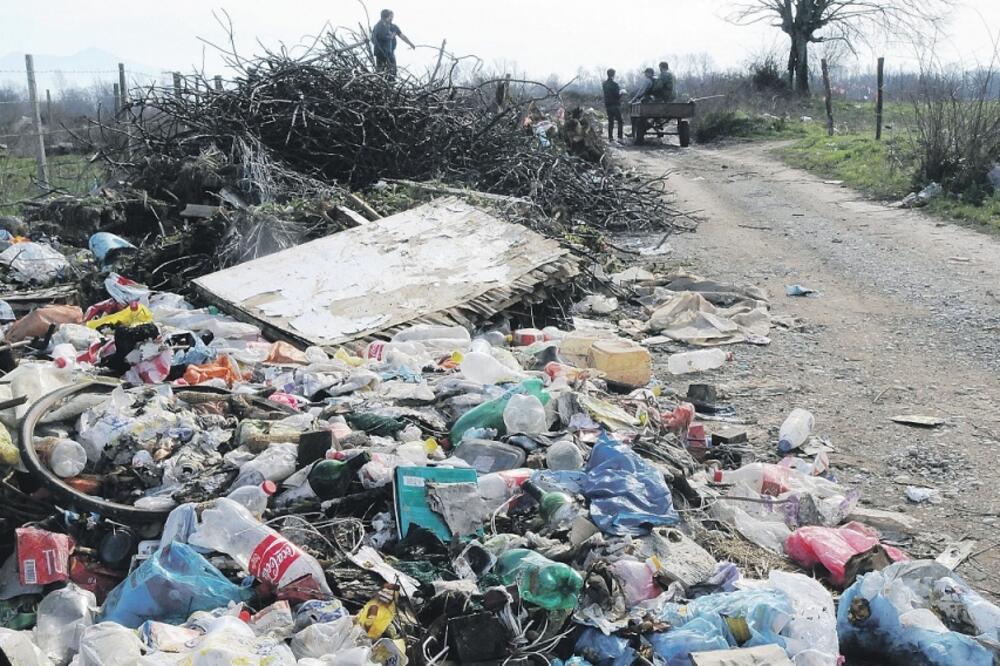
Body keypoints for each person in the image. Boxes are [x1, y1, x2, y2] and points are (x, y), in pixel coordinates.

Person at [371, 9, 414, 77]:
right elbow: (374, 39)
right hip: (381, 53)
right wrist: (390, 37)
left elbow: (402, 36)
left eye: (392, 16)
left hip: (389, 52)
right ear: (386, 17)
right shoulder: (378, 26)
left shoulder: (393, 27)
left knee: (392, 72)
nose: (392, 18)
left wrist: (410, 43)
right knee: (381, 72)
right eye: (390, 16)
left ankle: (390, 80)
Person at [602, 69, 624, 142]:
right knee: (620, 121)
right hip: (615, 105)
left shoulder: (604, 84)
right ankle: (620, 138)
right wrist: (622, 93)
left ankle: (610, 138)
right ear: (613, 75)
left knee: (610, 121)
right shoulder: (615, 84)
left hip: (608, 105)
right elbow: (617, 96)